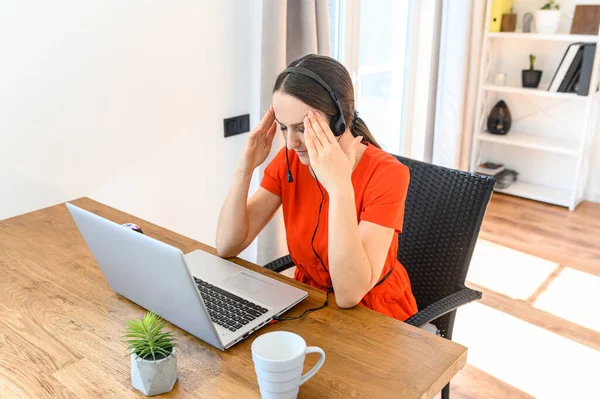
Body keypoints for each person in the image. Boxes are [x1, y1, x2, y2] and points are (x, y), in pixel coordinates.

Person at [216, 54, 417, 321]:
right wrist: (245, 168)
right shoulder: (289, 162)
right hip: (308, 302)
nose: (290, 143)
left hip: (374, 316)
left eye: (301, 128)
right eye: (283, 128)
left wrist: (339, 187)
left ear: (339, 121)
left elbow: (349, 294)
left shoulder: (387, 174)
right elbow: (227, 246)